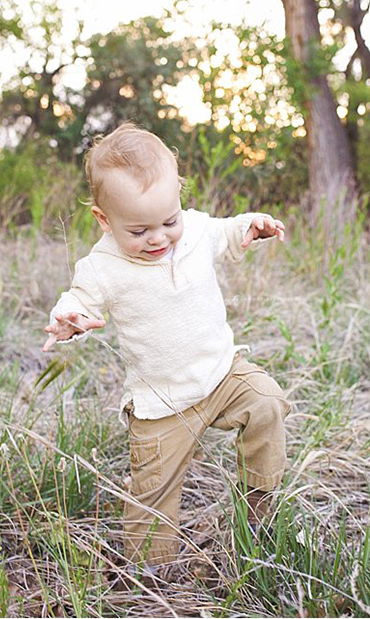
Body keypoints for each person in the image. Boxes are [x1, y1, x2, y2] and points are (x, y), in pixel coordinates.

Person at [42, 123, 290, 573]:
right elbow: (79, 298)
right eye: (138, 230)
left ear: (179, 201)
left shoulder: (192, 229)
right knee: (153, 497)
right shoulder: (102, 266)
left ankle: (258, 513)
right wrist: (70, 318)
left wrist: (251, 226)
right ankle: (149, 575)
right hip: (160, 404)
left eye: (168, 221)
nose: (158, 238)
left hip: (221, 374)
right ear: (104, 219)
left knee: (268, 401)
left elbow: (223, 232)